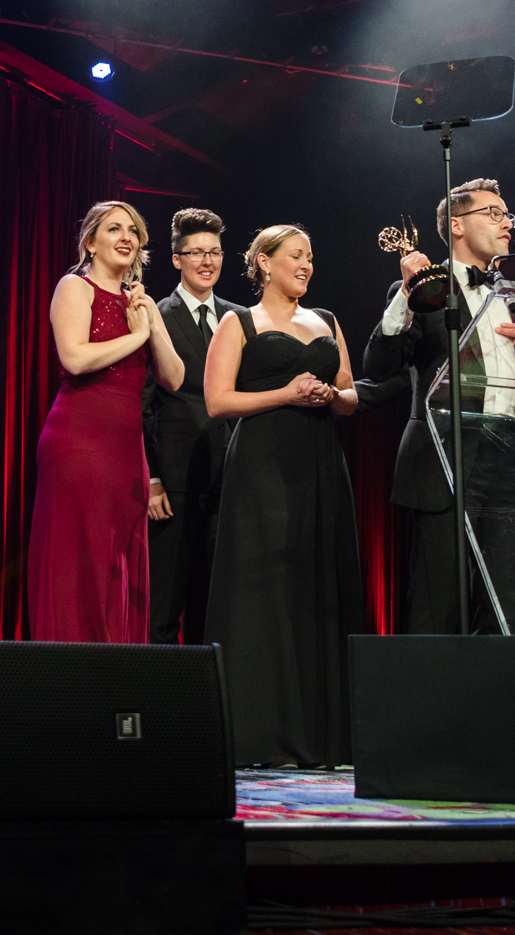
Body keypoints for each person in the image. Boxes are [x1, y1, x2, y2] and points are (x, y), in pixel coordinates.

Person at [360, 177, 515, 636]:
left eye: (508, 215)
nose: (507, 224)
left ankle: (506, 686)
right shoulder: (422, 293)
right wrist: (407, 295)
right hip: (446, 459)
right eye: (493, 213)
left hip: (512, 465)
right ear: (456, 225)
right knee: (439, 605)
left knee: (512, 608)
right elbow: (379, 367)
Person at [203, 225, 364, 767]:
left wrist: (331, 394)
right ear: (265, 263)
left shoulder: (328, 321)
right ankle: (264, 732)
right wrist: (286, 393)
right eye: (296, 255)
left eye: (310, 257)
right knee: (266, 589)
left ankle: (325, 734)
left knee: (318, 587)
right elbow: (218, 402)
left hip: (321, 463)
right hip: (262, 467)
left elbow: (350, 395)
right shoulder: (239, 322)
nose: (306, 265)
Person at [28, 200, 185, 643]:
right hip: (79, 441)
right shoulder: (75, 288)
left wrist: (149, 322)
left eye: (133, 231)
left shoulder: (141, 304)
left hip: (125, 450)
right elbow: (75, 359)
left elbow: (174, 377)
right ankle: (72, 665)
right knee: (82, 555)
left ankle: (115, 665)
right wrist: (138, 335)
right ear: (91, 242)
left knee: (118, 561)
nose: (126, 237)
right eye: (114, 228)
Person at [141, 208, 245, 645]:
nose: (207, 261)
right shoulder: (155, 315)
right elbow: (143, 405)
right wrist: (152, 479)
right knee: (165, 603)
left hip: (230, 479)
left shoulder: (239, 318)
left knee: (223, 602)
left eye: (214, 252)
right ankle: (160, 685)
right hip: (175, 482)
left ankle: (214, 685)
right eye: (197, 252)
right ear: (176, 259)